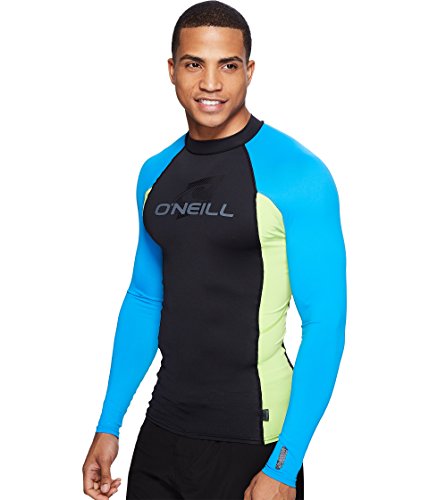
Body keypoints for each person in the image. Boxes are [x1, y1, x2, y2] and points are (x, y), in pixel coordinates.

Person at [82, 1, 347, 499]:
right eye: (193, 64)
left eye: (227, 65)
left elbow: (325, 324)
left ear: (249, 70)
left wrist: (285, 465)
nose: (210, 83)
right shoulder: (155, 174)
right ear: (171, 70)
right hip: (163, 433)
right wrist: (109, 423)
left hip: (255, 442)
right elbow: (145, 298)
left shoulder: (298, 176)